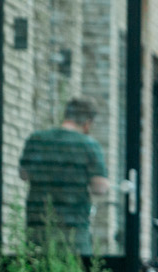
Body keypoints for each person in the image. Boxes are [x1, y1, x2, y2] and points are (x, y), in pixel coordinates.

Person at [19, 97, 112, 257]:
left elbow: (24, 174)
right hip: (73, 228)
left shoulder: (37, 139)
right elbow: (100, 187)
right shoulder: (89, 145)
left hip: (38, 223)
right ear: (87, 123)